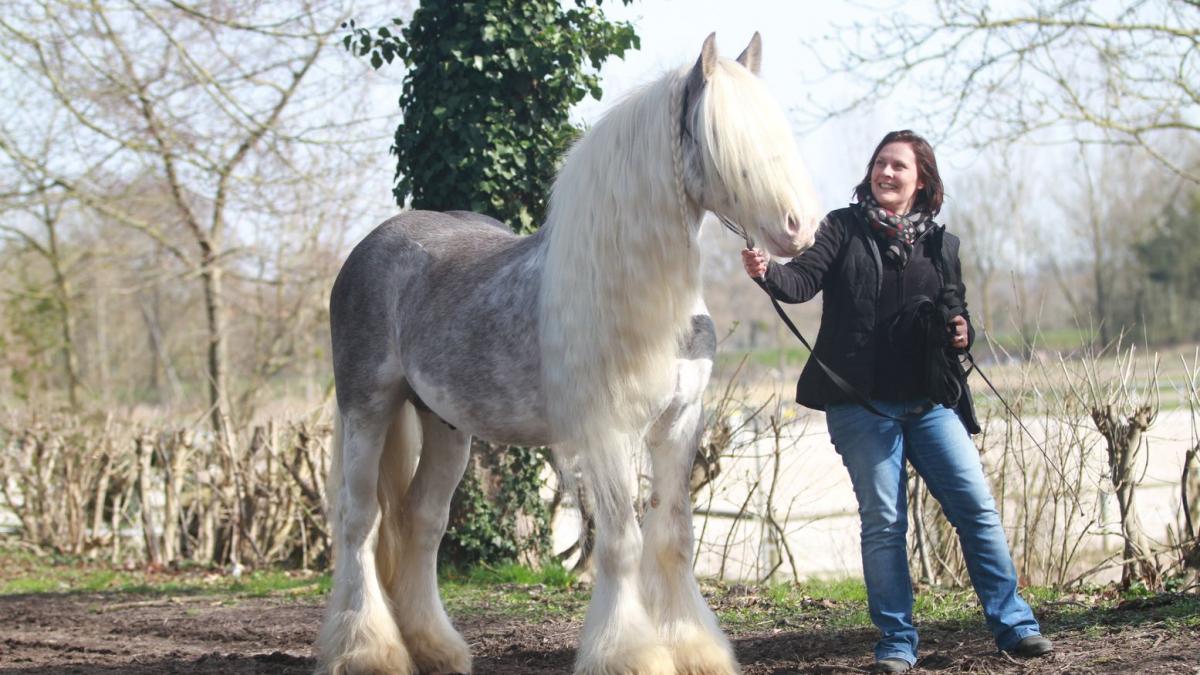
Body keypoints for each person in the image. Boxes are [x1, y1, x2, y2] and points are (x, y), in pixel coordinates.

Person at [741, 130, 1051, 673]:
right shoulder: (842, 227)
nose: (886, 173)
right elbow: (802, 282)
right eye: (880, 163)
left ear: (922, 180)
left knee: (977, 510)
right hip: (860, 405)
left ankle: (1015, 626)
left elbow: (958, 313)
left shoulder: (941, 245)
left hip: (930, 404)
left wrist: (961, 331)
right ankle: (897, 645)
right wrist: (768, 271)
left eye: (898, 166)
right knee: (885, 522)